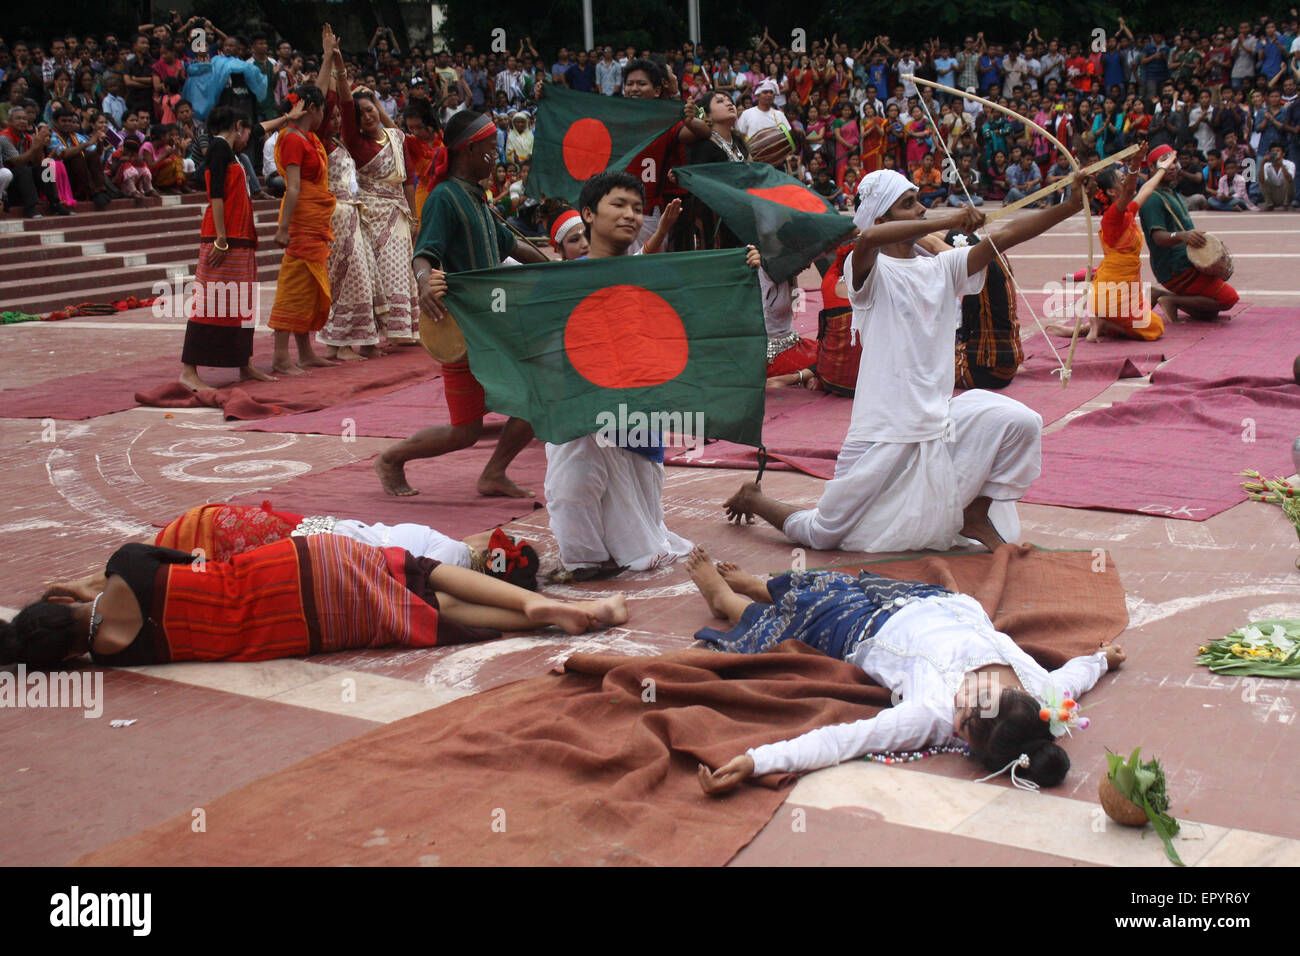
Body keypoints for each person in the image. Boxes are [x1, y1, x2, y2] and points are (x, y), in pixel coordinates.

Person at [721, 168, 1088, 556]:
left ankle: (975, 513)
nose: (920, 210)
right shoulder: (868, 268)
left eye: (918, 201)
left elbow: (1004, 238)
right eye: (908, 204)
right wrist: (950, 218)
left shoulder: (941, 267)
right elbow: (869, 238)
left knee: (1020, 423)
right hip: (882, 426)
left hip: (936, 418)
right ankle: (754, 499)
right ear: (882, 216)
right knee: (824, 534)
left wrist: (1069, 204)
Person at [687, 549, 1125, 793]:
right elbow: (1076, 677)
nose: (954, 716)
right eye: (966, 712)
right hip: (934, 601)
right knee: (832, 582)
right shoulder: (1045, 692)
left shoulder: (929, 715)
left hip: (868, 630)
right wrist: (1103, 658)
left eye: (960, 730)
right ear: (1001, 695)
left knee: (799, 618)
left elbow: (843, 740)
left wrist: (756, 760)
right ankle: (761, 586)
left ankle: (727, 601)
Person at [2, 533, 629, 672]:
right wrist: (95, 587)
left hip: (306, 624)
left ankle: (546, 623)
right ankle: (532, 603)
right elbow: (197, 564)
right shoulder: (127, 564)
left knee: (426, 614)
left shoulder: (119, 659)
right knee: (423, 570)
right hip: (292, 567)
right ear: (60, 598)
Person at [374, 110, 549, 499]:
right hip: (463, 327)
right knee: (465, 431)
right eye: (490, 149)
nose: (496, 157)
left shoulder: (476, 197)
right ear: (469, 150)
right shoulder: (444, 198)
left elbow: (514, 245)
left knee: (536, 396)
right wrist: (424, 281)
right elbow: (425, 253)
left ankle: (493, 474)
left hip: (493, 325)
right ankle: (391, 458)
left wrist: (559, 272)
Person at [147, 502, 539, 589]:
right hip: (316, 548)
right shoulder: (451, 565)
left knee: (215, 536)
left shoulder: (451, 551)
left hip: (313, 535)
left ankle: (142, 564)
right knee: (217, 563)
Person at [179, 105, 281, 391]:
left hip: (240, 238)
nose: (251, 136)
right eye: (247, 130)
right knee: (210, 302)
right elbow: (217, 196)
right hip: (224, 238)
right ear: (238, 126)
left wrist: (288, 117)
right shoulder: (219, 149)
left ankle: (244, 365)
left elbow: (261, 128)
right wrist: (221, 238)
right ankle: (189, 371)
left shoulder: (230, 150)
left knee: (242, 303)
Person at [1047, 149, 1172, 344]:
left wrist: (1161, 170)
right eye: (1122, 180)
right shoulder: (1113, 217)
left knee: (1145, 311)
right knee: (1155, 327)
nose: (1127, 182)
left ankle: (1090, 326)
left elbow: (1145, 189)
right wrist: (1136, 164)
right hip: (1112, 291)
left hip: (1115, 288)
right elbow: (1132, 190)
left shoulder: (1126, 211)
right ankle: (1103, 324)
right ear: (1112, 192)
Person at [267, 84, 338, 374]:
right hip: (300, 220)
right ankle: (281, 357)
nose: (325, 116)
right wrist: (284, 229)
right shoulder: (294, 140)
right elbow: (293, 188)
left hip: (312, 216)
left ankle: (305, 352)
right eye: (323, 109)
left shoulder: (306, 137)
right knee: (293, 285)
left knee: (307, 286)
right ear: (313, 109)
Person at [1138, 144, 1239, 323]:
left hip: (1186, 262)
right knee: (1228, 299)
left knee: (1207, 313)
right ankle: (1170, 300)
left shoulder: (1171, 193)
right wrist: (1183, 236)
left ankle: (1161, 295)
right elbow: (1158, 237)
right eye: (1165, 162)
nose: (1172, 166)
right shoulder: (1152, 198)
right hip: (1176, 268)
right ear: (1152, 167)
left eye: (1174, 162)